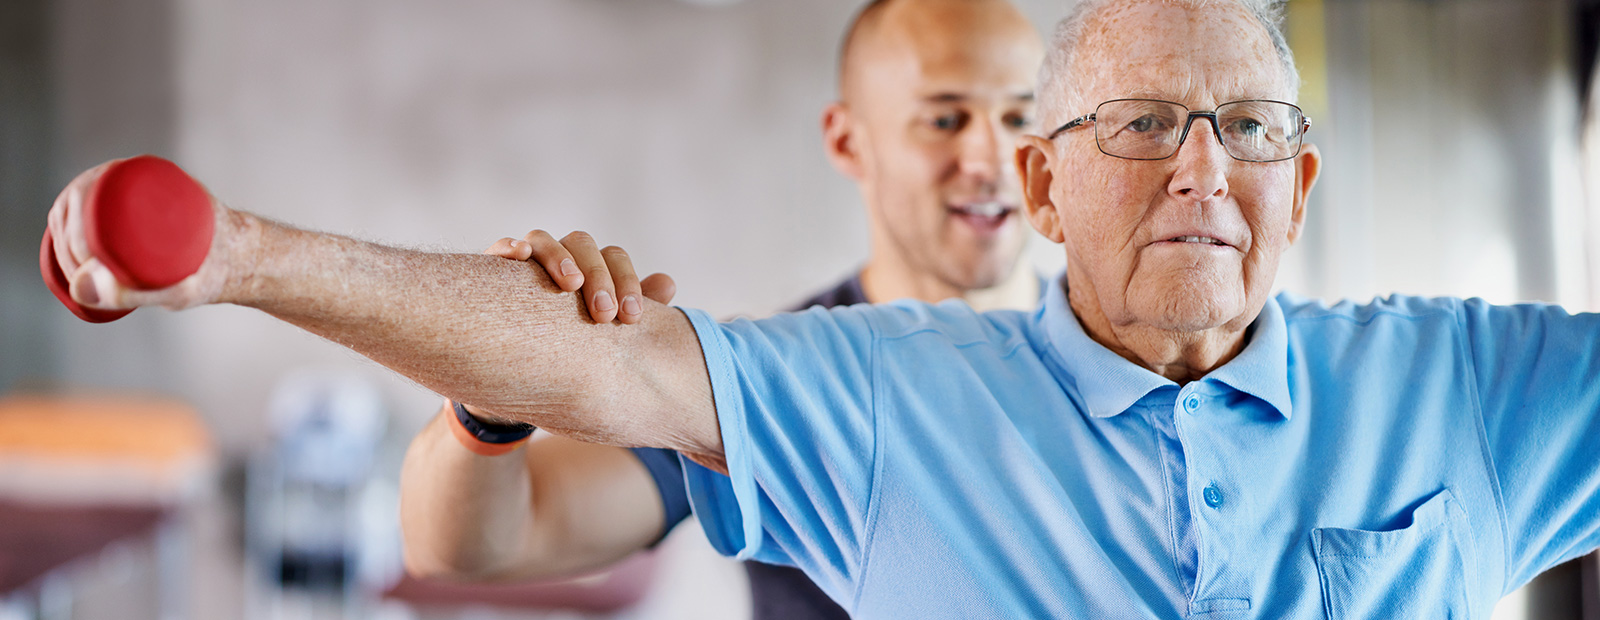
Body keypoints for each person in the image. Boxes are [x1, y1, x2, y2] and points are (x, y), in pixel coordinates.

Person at [45, 0, 1600, 616]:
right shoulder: (857, 385)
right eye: (1136, 126)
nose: (1202, 170)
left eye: (1249, 129)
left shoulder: (1455, 384)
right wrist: (237, 256)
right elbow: (498, 505)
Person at [398, 0, 1044, 617]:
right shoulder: (764, 378)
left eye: (1019, 118)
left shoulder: (1123, 352)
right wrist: (491, 397)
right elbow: (472, 546)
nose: (991, 161)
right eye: (944, 120)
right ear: (848, 143)